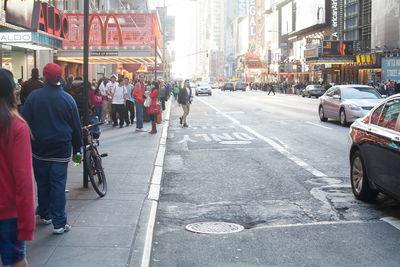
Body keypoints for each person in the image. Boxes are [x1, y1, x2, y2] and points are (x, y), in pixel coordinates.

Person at [22, 63, 82, 235]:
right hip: (60, 150)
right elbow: (76, 129)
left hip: (38, 150)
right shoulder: (67, 99)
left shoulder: (34, 97)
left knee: (42, 183)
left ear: (44, 76)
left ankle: (45, 214)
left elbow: (24, 123)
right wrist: (77, 154)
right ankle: (59, 223)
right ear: (60, 77)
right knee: (58, 185)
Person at [0, 68, 35, 267]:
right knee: (15, 260)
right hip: (8, 212)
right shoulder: (16, 126)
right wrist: (27, 224)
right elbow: (23, 179)